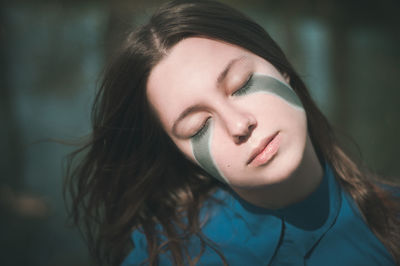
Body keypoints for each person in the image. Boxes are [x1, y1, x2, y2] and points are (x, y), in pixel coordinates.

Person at [64, 0, 400, 265]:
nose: (239, 125)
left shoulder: (392, 217)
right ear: (181, 155)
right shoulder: (168, 258)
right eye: (199, 127)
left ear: (281, 68)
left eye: (241, 85)